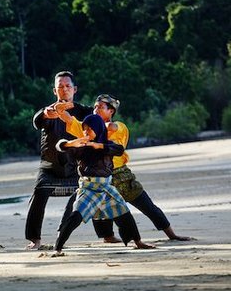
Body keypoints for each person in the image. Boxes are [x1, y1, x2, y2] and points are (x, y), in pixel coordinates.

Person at [55, 94, 192, 242]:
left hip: (122, 176)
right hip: (97, 178)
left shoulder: (119, 127)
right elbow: (69, 120)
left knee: (147, 205)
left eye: (100, 107)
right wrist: (59, 109)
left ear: (111, 111)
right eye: (95, 106)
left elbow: (111, 128)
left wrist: (96, 127)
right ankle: (106, 237)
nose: (95, 109)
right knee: (88, 206)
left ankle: (172, 234)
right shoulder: (88, 128)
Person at [25, 71, 113, 250]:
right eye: (60, 87)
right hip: (51, 167)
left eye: (67, 86)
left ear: (75, 89)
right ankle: (35, 239)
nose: (64, 90)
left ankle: (106, 234)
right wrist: (45, 114)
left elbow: (101, 120)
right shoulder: (49, 111)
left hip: (78, 168)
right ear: (54, 91)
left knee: (98, 190)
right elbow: (37, 120)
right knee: (39, 193)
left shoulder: (85, 112)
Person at [53, 114, 154, 255]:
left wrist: (99, 146)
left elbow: (119, 149)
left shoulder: (107, 145)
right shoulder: (81, 147)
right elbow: (59, 146)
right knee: (75, 216)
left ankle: (138, 241)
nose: (86, 133)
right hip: (88, 188)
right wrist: (70, 144)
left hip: (106, 187)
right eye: (84, 130)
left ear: (98, 128)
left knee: (124, 214)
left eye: (89, 129)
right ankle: (57, 248)